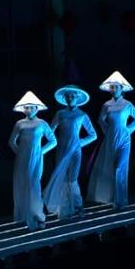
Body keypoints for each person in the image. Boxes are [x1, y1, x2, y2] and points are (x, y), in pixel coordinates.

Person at [87, 71, 135, 209]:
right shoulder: (107, 105)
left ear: (122, 88)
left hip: (124, 139)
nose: (114, 89)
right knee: (110, 167)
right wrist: (107, 131)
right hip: (111, 139)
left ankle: (121, 200)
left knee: (120, 168)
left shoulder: (127, 104)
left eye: (116, 87)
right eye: (112, 87)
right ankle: (110, 197)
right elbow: (100, 120)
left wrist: (128, 130)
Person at [42, 85, 97, 219]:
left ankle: (78, 206)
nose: (70, 98)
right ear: (64, 98)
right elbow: (50, 131)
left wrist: (79, 143)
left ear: (77, 98)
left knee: (72, 179)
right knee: (62, 178)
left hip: (75, 151)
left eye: (72, 96)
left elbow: (93, 135)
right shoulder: (60, 113)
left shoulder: (82, 114)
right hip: (62, 150)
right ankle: (65, 207)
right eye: (68, 96)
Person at [9, 91, 57, 230]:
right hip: (21, 160)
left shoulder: (42, 123)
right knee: (22, 185)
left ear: (36, 108)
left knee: (34, 185)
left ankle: (38, 216)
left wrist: (41, 151)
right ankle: (23, 216)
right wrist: (20, 153)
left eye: (30, 107)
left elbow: (53, 141)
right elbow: (11, 141)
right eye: (26, 107)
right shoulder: (19, 123)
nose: (28, 110)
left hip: (36, 159)